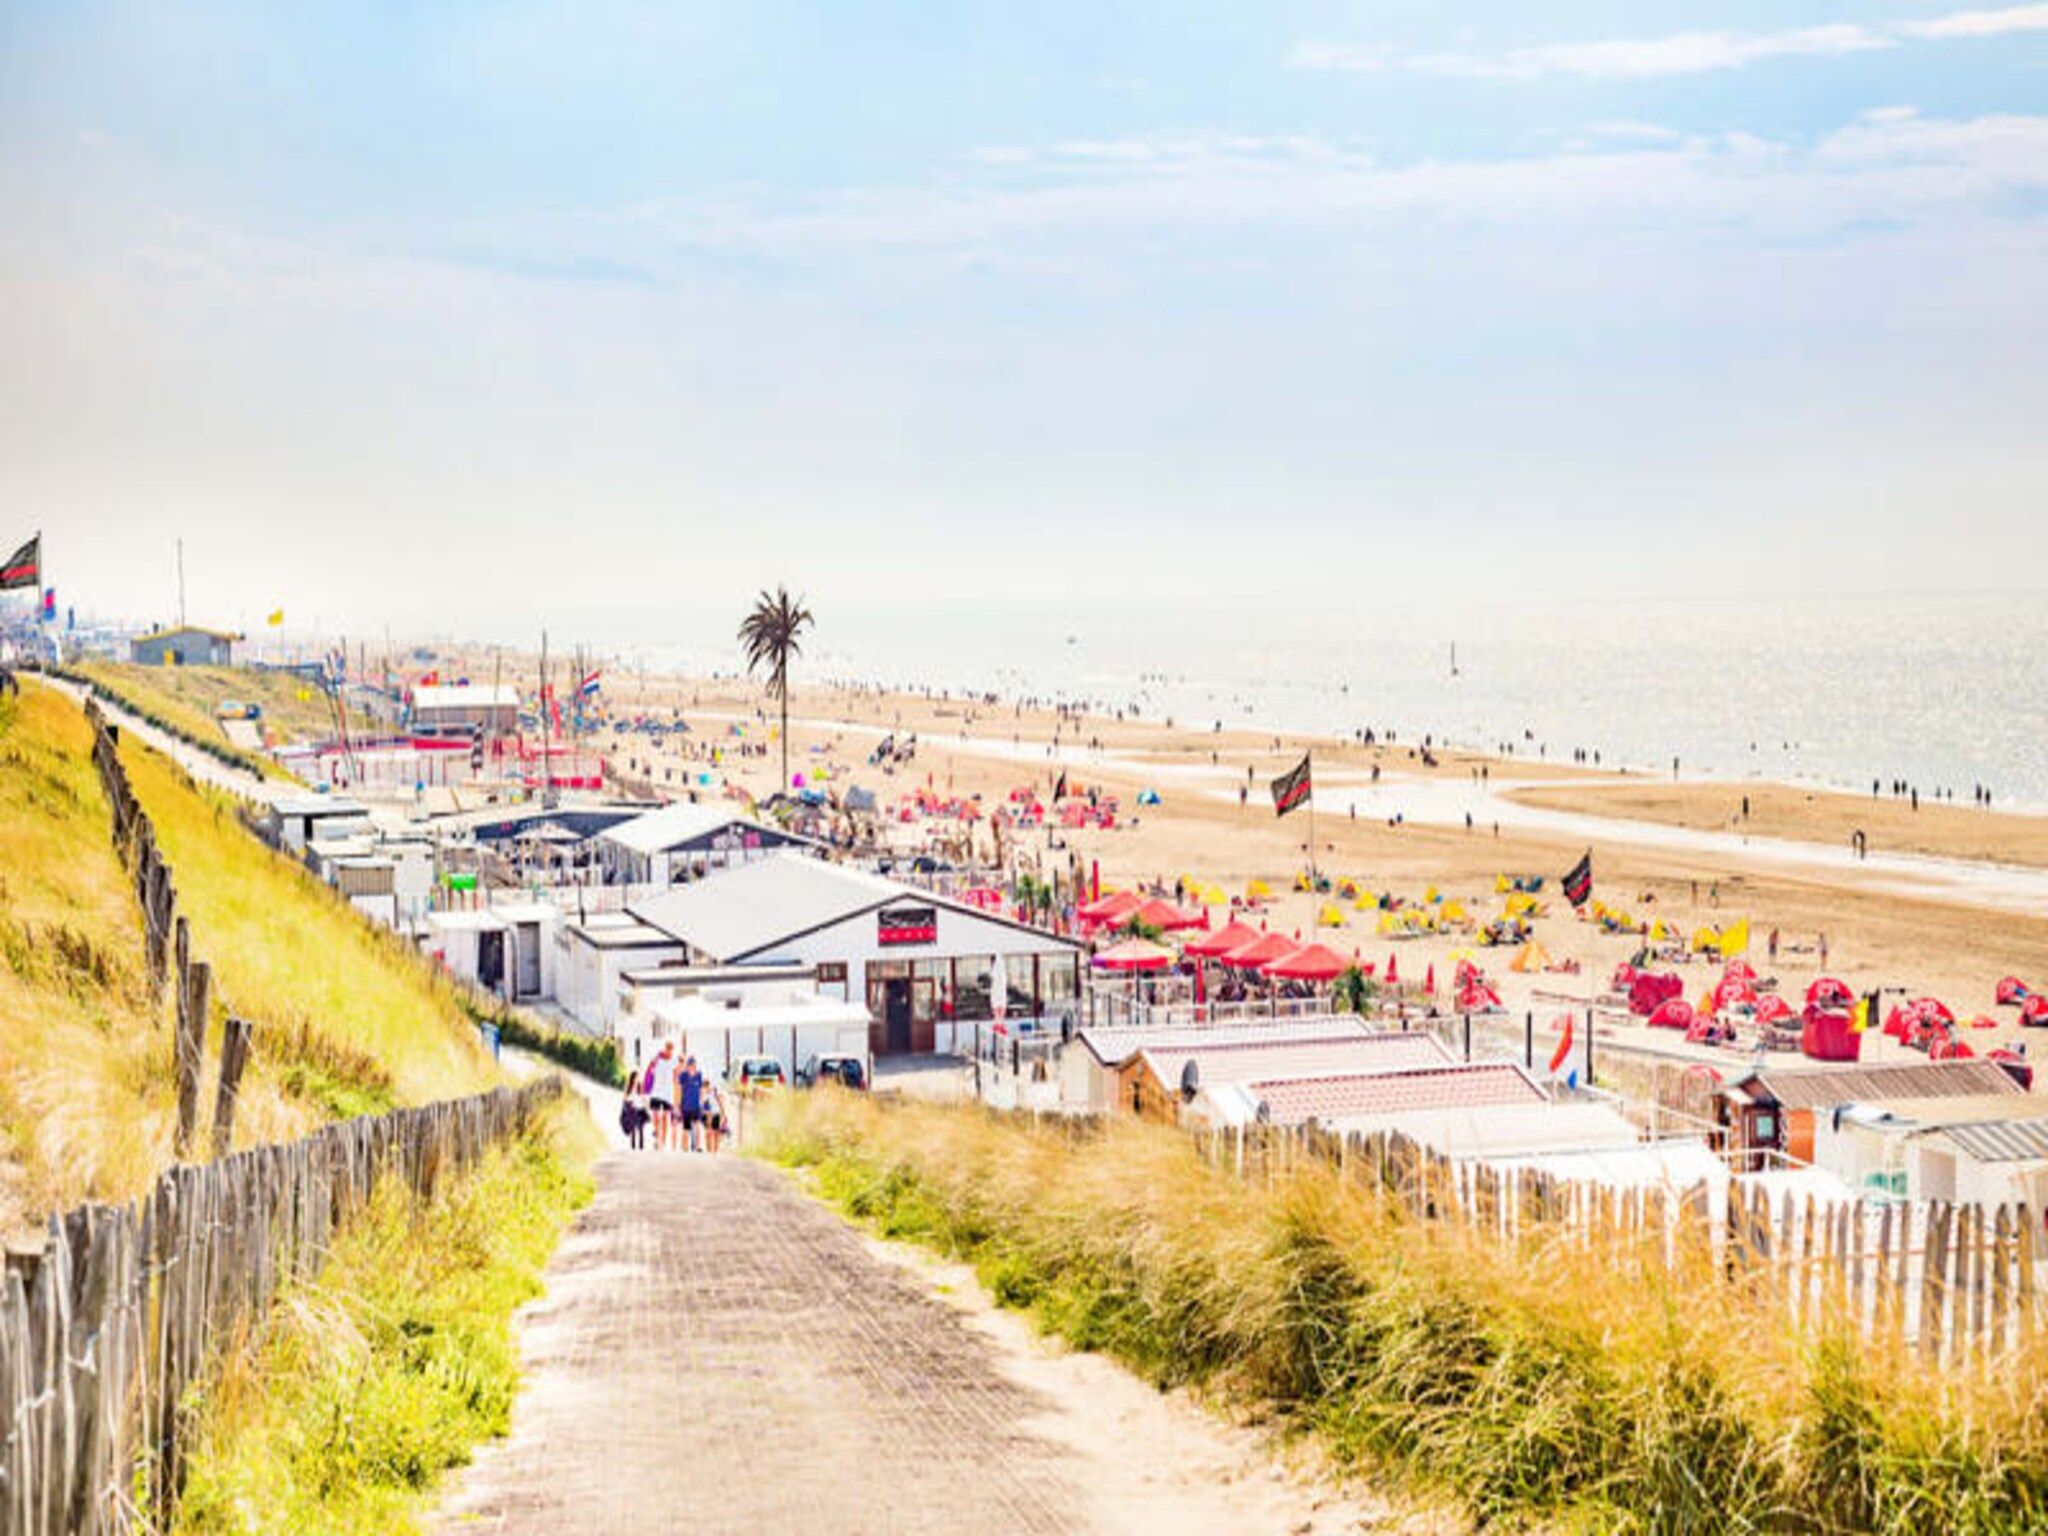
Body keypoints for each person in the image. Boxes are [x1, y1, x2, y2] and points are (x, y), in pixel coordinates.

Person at [645, 1041, 678, 1149]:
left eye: (671, 1048)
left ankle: (662, 1142)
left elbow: (676, 1079)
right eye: (668, 1048)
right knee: (655, 1116)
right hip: (656, 1091)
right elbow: (650, 1070)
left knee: (665, 1118)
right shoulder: (657, 1058)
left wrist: (676, 1098)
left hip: (667, 1094)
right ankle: (657, 1136)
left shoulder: (674, 1062)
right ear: (665, 1048)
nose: (669, 1050)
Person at [678, 1054, 705, 1152]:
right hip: (686, 1106)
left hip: (696, 1105)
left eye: (694, 1065)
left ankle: (698, 1146)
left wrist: (701, 1102)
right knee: (686, 1127)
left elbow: (701, 1090)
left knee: (697, 1125)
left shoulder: (699, 1075)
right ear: (687, 1066)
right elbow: (679, 1090)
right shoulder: (683, 1076)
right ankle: (684, 1147)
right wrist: (678, 1103)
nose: (692, 1067)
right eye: (690, 1065)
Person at [701, 1077, 725, 1153]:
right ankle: (709, 1151)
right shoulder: (703, 1094)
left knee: (715, 1133)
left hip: (715, 1113)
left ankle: (715, 1151)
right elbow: (703, 1106)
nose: (706, 1088)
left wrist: (723, 1114)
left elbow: (720, 1103)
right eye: (704, 1086)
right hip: (707, 1114)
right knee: (708, 1133)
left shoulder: (714, 1092)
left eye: (706, 1086)